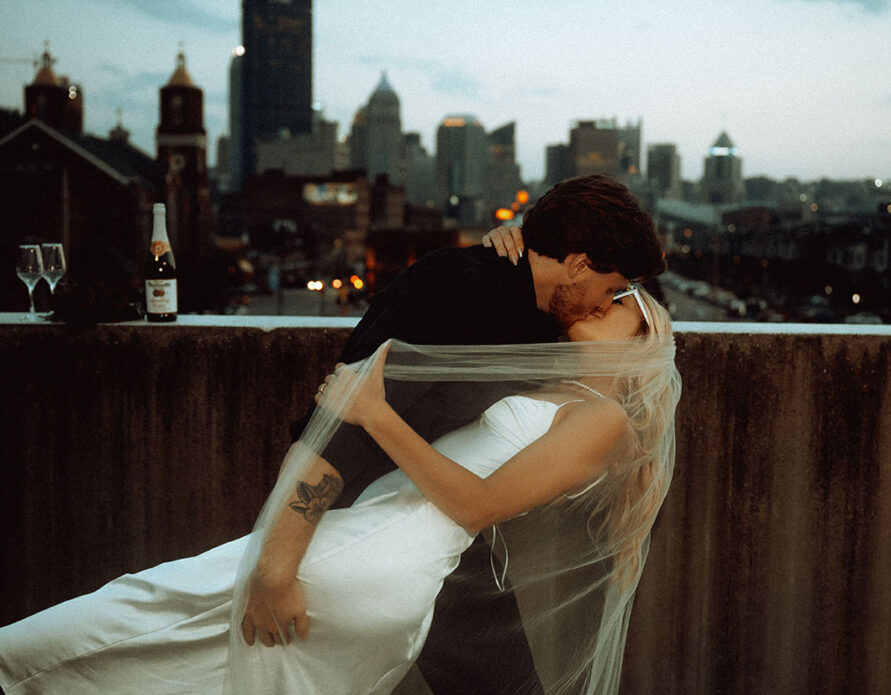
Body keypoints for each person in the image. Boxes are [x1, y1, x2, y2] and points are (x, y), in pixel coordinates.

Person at [0, 285, 680, 695]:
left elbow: (478, 505)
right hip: (381, 574)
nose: (605, 298)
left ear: (642, 344)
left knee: (118, 619)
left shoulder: (604, 418)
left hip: (369, 560)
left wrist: (374, 413)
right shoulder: (552, 390)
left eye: (624, 302)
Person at [261, 174, 666, 693]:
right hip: (358, 531)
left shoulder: (550, 327)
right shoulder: (455, 291)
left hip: (447, 544)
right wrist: (276, 568)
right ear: (580, 264)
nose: (600, 305)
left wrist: (522, 235)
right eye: (609, 290)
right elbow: (331, 435)